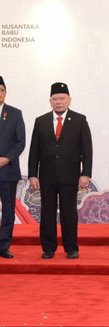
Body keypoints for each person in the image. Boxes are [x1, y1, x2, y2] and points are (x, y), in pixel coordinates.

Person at [28, 82, 93, 259]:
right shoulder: (40, 121)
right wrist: (33, 174)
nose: (58, 102)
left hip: (70, 175)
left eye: (62, 98)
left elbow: (87, 150)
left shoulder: (80, 120)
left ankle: (71, 248)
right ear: (50, 101)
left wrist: (85, 173)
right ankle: (48, 248)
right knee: (47, 213)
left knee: (68, 213)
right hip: (47, 176)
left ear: (69, 100)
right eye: (55, 99)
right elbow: (34, 150)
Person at [0, 76, 26, 259]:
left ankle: (3, 246)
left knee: (8, 211)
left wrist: (6, 158)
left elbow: (20, 142)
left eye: (1, 89)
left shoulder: (15, 113)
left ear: (5, 92)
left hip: (7, 171)